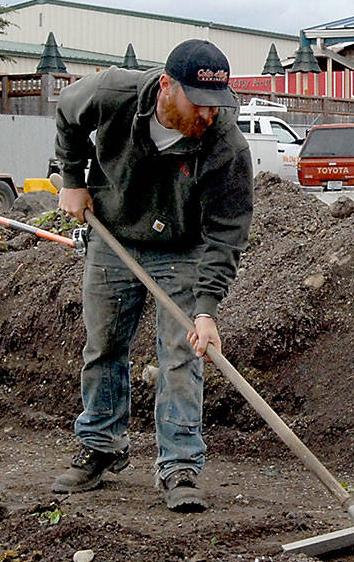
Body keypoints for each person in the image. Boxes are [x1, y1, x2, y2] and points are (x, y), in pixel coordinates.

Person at [51, 39, 253, 512]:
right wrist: (74, 181)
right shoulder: (111, 93)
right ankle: (101, 445)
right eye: (198, 103)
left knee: (182, 353)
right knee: (103, 344)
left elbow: (226, 234)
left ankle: (180, 465)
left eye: (216, 104)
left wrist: (205, 310)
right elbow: (67, 113)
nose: (208, 114)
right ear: (167, 86)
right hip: (113, 234)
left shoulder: (226, 144)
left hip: (182, 248)